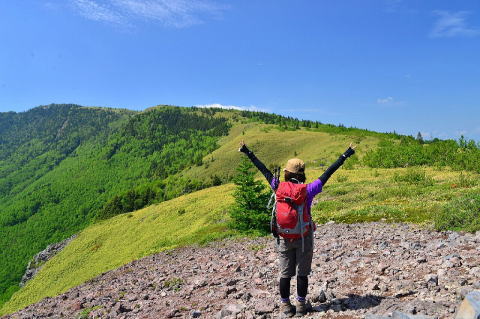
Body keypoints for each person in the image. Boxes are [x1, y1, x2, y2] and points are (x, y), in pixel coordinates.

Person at [238, 140, 356, 317]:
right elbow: (327, 173)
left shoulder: (277, 186)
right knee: (302, 274)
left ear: (286, 173)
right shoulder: (308, 190)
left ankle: (286, 307)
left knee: (285, 274)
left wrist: (248, 152)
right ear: (302, 174)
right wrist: (345, 155)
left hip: (284, 238)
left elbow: (263, 170)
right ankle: (301, 307)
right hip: (303, 237)